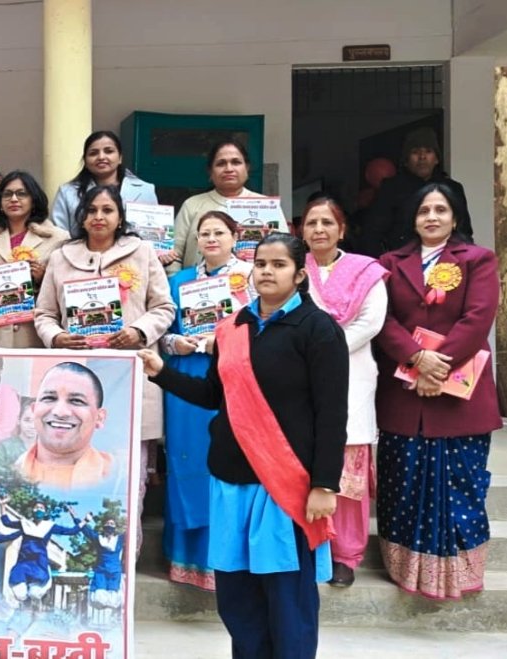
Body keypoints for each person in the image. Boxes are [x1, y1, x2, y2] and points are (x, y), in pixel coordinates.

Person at [141, 233, 349, 658]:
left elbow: (332, 414)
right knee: (236, 599)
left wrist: (325, 484)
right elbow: (213, 396)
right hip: (230, 480)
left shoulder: (318, 329)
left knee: (287, 599)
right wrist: (162, 371)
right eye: (261, 264)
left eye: (279, 264)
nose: (267, 272)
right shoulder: (232, 327)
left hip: (284, 486)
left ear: (300, 274)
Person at [373, 183, 500, 599]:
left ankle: (459, 573)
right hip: (403, 393)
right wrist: (415, 358)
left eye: (440, 210)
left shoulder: (478, 259)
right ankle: (406, 570)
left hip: (460, 395)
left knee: (461, 486)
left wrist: (436, 366)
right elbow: (382, 319)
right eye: (423, 210)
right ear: (412, 219)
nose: (431, 217)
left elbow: (477, 318)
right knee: (403, 484)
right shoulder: (390, 264)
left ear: (455, 216)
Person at [34, 185, 174, 490]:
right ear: (82, 218)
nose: (99, 216)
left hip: (132, 370)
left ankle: (132, 523)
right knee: (75, 463)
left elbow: (164, 307)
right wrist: (57, 337)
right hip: (79, 372)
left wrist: (138, 331)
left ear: (120, 217)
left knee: (129, 472)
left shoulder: (142, 252)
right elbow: (44, 313)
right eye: (92, 210)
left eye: (107, 210)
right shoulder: (61, 258)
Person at [158, 209, 256, 591]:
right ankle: (187, 558)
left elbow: (263, 327)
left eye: (219, 232)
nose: (211, 239)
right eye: (205, 234)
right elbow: (163, 332)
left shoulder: (250, 278)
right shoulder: (179, 280)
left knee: (228, 460)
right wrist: (175, 343)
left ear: (235, 237)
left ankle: (228, 559)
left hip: (235, 378)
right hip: (187, 377)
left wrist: (228, 340)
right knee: (187, 459)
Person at [301, 196, 388, 588]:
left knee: (348, 471)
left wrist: (328, 347)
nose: (319, 229)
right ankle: (312, 547)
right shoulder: (292, 267)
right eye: (311, 222)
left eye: (327, 222)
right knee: (305, 462)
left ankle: (345, 555)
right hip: (301, 372)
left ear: (342, 229)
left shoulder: (365, 271)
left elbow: (371, 322)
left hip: (352, 371)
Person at [0, 171, 69, 348]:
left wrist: (42, 278)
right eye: (7, 194)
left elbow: (66, 293)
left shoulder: (58, 238)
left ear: (34, 200)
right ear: (0, 202)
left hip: (34, 337)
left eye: (22, 193)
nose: (14, 199)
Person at [171, 140, 282, 273]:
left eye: (236, 162)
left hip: (256, 283)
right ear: (210, 171)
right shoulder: (192, 205)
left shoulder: (267, 206)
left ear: (247, 168)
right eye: (221, 163)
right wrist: (177, 282)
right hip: (197, 284)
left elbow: (284, 251)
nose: (229, 169)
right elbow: (173, 254)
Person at [360, 127, 472, 256]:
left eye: (428, 151)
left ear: (436, 159)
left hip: (446, 261)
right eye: (415, 152)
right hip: (402, 259)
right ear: (406, 160)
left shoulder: (453, 188)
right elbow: (372, 233)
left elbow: (464, 231)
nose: (422, 157)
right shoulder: (391, 188)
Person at [13, 362, 113, 489]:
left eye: (76, 400)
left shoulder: (117, 474)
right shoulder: (10, 471)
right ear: (34, 410)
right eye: (49, 398)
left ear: (99, 417)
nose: (60, 412)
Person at [50, 130, 158, 234]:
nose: (101, 157)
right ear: (85, 161)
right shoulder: (67, 193)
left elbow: (154, 233)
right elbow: (59, 237)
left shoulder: (145, 191)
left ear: (120, 158)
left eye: (109, 151)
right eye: (93, 153)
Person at [0, 501, 83, 602]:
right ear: (32, 510)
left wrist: (78, 518)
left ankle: (45, 584)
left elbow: (72, 531)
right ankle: (24, 604)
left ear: (45, 512)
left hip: (39, 563)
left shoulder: (49, 526)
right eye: (36, 507)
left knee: (35, 594)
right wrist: (2, 505)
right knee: (20, 594)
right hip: (23, 563)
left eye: (41, 508)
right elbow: (6, 523)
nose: (39, 509)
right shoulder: (24, 523)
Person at [79, 516, 126, 610]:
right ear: (104, 526)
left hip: (115, 572)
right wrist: (74, 516)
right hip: (101, 571)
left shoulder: (119, 539)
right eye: (107, 523)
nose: (109, 525)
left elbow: (132, 530)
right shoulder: (98, 539)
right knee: (99, 598)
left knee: (113, 598)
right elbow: (85, 529)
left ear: (115, 527)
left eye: (112, 524)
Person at [0, 397, 36, 477]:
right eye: (27, 420)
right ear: (18, 420)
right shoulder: (4, 447)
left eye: (36, 421)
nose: (32, 426)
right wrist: (15, 469)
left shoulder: (49, 450)